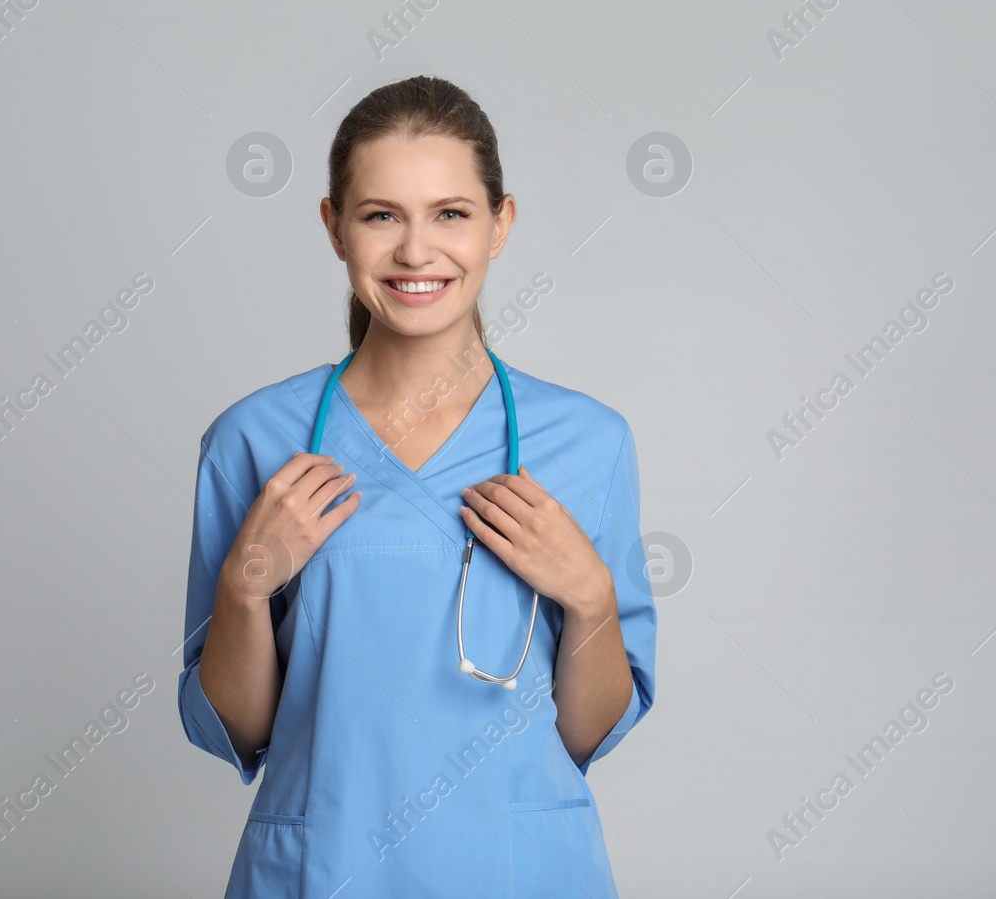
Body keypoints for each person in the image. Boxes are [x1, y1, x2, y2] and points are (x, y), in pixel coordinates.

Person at [178, 75, 656, 896]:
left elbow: (585, 731)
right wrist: (244, 585)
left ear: (500, 224)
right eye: (379, 215)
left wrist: (593, 597)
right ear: (334, 228)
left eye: (451, 213)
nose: (415, 251)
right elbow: (239, 730)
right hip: (323, 871)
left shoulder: (588, 442)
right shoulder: (254, 440)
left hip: (520, 874)